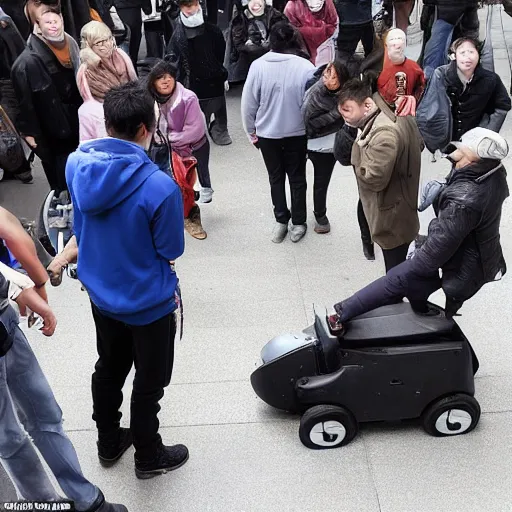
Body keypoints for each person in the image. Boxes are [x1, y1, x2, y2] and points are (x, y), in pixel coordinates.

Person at [66, 81, 188, 480]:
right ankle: (148, 455)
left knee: (109, 367)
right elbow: (170, 249)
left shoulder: (76, 164)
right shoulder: (159, 187)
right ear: (144, 129)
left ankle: (108, 441)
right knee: (149, 382)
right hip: (147, 303)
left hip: (100, 294)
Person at [0, 209, 127, 512]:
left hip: (4, 319)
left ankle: (84, 500)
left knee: (42, 417)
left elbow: (9, 230)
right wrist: (37, 287)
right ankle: (49, 505)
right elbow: (11, 229)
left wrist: (29, 293)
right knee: (12, 435)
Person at [328, 127, 509, 330]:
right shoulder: (493, 172)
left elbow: (429, 258)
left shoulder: (464, 202)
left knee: (399, 278)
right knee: (418, 278)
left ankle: (341, 313)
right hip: (471, 248)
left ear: (473, 161)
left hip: (464, 262)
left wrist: (346, 309)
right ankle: (421, 308)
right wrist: (445, 188)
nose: (454, 162)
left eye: (459, 159)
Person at [337, 76, 422, 272]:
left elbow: (374, 179)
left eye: (347, 110)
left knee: (395, 274)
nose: (345, 118)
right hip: (401, 206)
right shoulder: (389, 111)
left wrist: (357, 150)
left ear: (367, 105)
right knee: (400, 269)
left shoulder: (383, 135)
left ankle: (406, 302)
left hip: (392, 215)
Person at [241, 21, 315, 243]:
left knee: (275, 178)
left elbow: (248, 105)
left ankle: (281, 220)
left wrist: (250, 132)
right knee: (297, 178)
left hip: (267, 135)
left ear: (269, 42)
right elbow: (313, 105)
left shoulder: (258, 66)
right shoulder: (306, 67)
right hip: (298, 133)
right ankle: (299, 222)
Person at [11, 6, 82, 193]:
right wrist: (30, 133)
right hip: (53, 127)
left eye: (56, 21)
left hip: (74, 120)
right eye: (47, 22)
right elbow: (25, 103)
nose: (53, 26)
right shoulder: (28, 63)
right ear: (38, 26)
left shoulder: (70, 44)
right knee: (60, 172)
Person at [147, 59, 209, 238]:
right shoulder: (149, 99)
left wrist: (167, 139)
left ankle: (191, 217)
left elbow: (195, 130)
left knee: (185, 186)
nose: (165, 81)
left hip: (186, 149)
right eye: (160, 78)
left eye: (168, 77)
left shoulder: (187, 98)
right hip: (158, 149)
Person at [417, 37, 511, 154]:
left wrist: (489, 133)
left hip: (476, 140)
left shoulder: (491, 79)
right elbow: (428, 108)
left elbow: (503, 106)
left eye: (471, 52)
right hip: (450, 139)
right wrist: (435, 140)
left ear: (478, 55)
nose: (468, 57)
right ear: (454, 56)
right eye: (462, 52)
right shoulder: (441, 75)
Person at [166, 0, 232, 146]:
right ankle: (199, 127)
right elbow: (172, 58)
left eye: (193, 5)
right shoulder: (178, 34)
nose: (190, 10)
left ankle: (220, 128)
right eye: (186, 6)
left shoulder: (213, 30)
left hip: (214, 77)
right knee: (196, 110)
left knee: (218, 103)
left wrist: (217, 69)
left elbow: (220, 52)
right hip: (192, 79)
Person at [302, 60, 349, 233]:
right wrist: (336, 113)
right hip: (311, 142)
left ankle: (320, 215)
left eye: (334, 77)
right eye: (327, 74)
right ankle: (300, 214)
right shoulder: (315, 93)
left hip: (331, 145)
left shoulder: (345, 91)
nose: (328, 79)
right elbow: (307, 121)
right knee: (301, 181)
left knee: (321, 182)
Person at [77, 20, 137, 141]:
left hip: (131, 112)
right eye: (100, 42)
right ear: (89, 46)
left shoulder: (120, 55)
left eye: (109, 38)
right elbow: (90, 106)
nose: (107, 44)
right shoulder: (86, 71)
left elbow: (134, 82)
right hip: (106, 123)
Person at [0, 9, 33, 184]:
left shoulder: (4, 23)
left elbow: (19, 52)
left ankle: (20, 168)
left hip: (6, 80)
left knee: (9, 126)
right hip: (6, 79)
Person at [228, 0, 287, 80]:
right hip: (246, 73)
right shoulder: (240, 19)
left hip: (273, 70)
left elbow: (284, 42)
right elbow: (235, 47)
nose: (255, 3)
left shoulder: (277, 17)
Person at [377, 28, 425, 116]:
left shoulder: (414, 68)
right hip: (383, 109)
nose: (397, 46)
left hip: (406, 112)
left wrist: (412, 100)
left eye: (400, 40)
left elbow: (420, 87)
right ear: (386, 45)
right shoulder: (378, 64)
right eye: (393, 42)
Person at [284, 0, 338, 64]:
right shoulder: (291, 7)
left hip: (325, 47)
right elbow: (290, 32)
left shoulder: (328, 3)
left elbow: (333, 25)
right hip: (302, 52)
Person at [112, 0, 152, 66]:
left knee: (121, 41)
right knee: (134, 39)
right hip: (133, 8)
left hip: (118, 8)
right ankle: (132, 65)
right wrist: (147, 8)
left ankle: (126, 66)